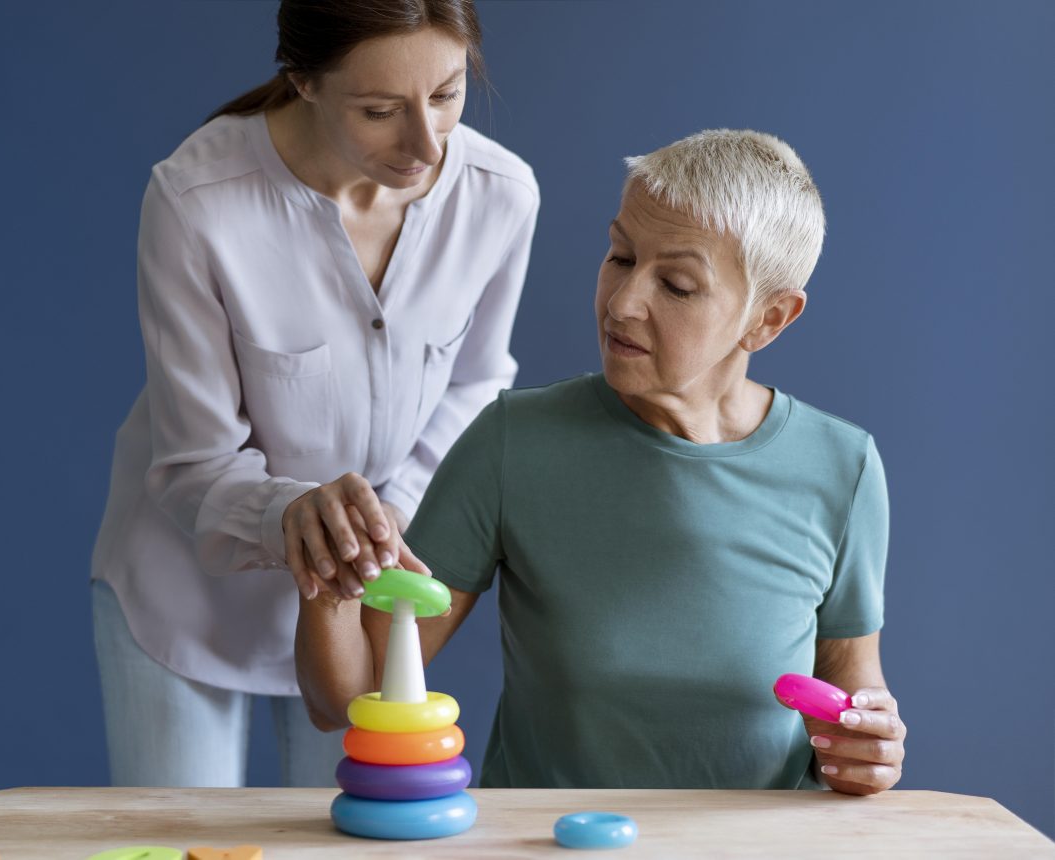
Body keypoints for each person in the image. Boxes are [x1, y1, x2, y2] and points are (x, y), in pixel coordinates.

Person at [297, 129, 907, 795]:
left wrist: (867, 748)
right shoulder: (514, 442)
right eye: (620, 256)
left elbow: (852, 693)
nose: (623, 303)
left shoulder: (841, 467)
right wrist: (329, 567)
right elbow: (346, 697)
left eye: (676, 285)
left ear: (768, 319)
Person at [89, 0, 539, 788]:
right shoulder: (198, 201)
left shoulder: (501, 194)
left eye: (446, 93)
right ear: (302, 81)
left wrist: (385, 512)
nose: (427, 145)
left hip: (366, 602)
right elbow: (193, 459)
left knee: (355, 836)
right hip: (187, 599)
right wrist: (290, 513)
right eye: (379, 111)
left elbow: (477, 382)